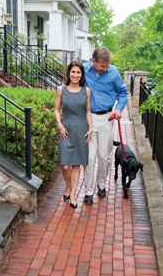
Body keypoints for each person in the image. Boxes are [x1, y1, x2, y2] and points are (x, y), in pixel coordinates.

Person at [83, 46, 128, 205]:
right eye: (102, 66)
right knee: (88, 157)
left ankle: (101, 185)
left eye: (107, 65)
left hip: (107, 118)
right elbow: (72, 90)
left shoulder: (114, 72)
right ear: (93, 61)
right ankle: (88, 192)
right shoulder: (82, 70)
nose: (105, 68)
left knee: (104, 156)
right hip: (87, 118)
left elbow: (123, 93)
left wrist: (118, 108)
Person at [55, 61, 92, 209]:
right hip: (66, 130)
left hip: (81, 130)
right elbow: (57, 110)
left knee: (76, 166)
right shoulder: (60, 90)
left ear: (82, 75)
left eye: (78, 72)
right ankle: (69, 187)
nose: (75, 75)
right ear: (69, 73)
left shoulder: (87, 91)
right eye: (73, 72)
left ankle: (73, 194)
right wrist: (60, 126)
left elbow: (88, 111)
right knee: (65, 166)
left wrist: (91, 128)